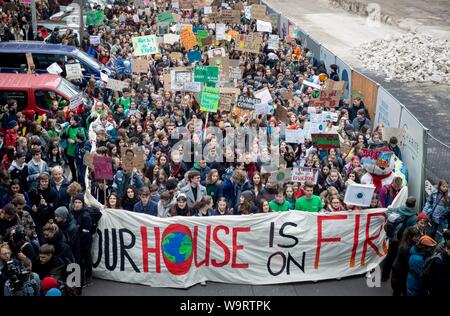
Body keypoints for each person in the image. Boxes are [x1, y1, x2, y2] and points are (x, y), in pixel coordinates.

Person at [382, 196, 418, 281]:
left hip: (393, 238)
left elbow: (387, 212)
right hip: (403, 240)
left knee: (389, 258)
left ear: (405, 203)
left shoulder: (398, 209)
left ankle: (384, 276)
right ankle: (395, 279)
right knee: (399, 260)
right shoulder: (413, 217)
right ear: (414, 205)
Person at [391, 227, 420, 296]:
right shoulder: (407, 248)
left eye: (418, 236)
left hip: (399, 271)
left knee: (397, 291)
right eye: (416, 236)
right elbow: (408, 262)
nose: (418, 238)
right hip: (400, 273)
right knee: (399, 290)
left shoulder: (405, 242)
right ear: (410, 236)